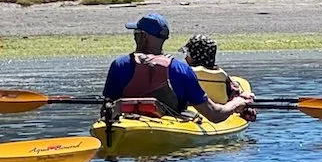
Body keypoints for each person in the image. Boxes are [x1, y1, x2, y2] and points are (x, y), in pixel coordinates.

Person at [102, 13, 252, 121]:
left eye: (136, 31)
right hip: (169, 125)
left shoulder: (119, 65)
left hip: (128, 126)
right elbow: (214, 115)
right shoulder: (181, 70)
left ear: (142, 36)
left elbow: (106, 109)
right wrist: (237, 102)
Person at [182, 35, 251, 107]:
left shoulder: (186, 74)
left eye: (188, 54)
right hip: (220, 111)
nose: (185, 58)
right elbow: (235, 93)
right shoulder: (223, 76)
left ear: (194, 57)